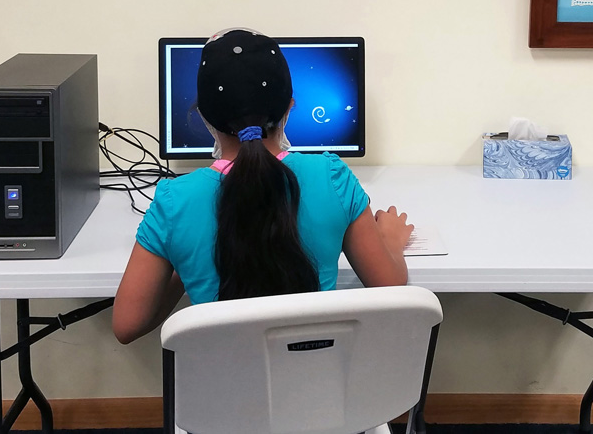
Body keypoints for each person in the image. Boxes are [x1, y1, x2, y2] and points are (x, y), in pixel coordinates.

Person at [112, 28, 413, 344]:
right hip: (319, 387)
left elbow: (127, 325)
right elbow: (389, 285)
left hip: (223, 390)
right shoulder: (331, 176)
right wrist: (390, 240)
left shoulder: (175, 202)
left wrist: (182, 255)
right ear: (289, 107)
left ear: (203, 117)